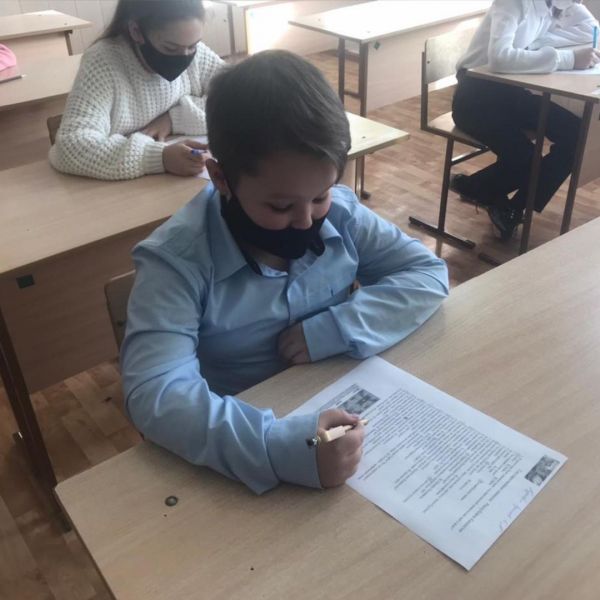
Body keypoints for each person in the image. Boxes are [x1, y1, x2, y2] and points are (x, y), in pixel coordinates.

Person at [120, 50, 449, 495]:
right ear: (221, 178)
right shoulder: (177, 262)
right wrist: (276, 448)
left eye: (321, 195)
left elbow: (426, 273)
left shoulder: (342, 214)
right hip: (238, 439)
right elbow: (156, 392)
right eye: (280, 206)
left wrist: (335, 328)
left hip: (340, 400)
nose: (306, 220)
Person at [450, 0, 599, 240]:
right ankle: (473, 188)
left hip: (512, 91)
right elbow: (499, 58)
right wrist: (567, 59)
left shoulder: (556, 4)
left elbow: (593, 29)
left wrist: (542, 47)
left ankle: (510, 207)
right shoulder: (513, 3)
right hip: (475, 99)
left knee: (577, 134)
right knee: (525, 157)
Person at [49, 0, 223, 181]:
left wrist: (174, 119)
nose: (185, 56)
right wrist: (159, 157)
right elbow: (71, 146)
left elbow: (234, 98)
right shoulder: (103, 63)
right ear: (136, 31)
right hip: (120, 188)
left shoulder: (195, 51)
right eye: (170, 48)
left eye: (193, 46)